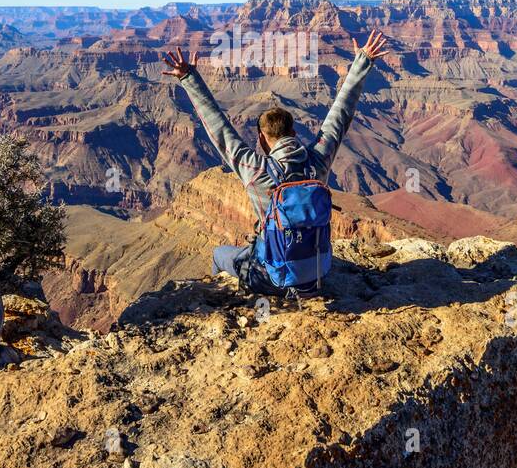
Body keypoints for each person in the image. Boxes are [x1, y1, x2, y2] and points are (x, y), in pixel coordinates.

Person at [161, 29, 392, 294]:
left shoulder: (254, 168)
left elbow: (219, 129)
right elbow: (340, 115)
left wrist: (189, 78)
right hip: (317, 275)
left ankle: (228, 299)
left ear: (261, 139)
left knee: (220, 254)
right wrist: (362, 62)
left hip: (268, 278)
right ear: (294, 133)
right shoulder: (318, 160)